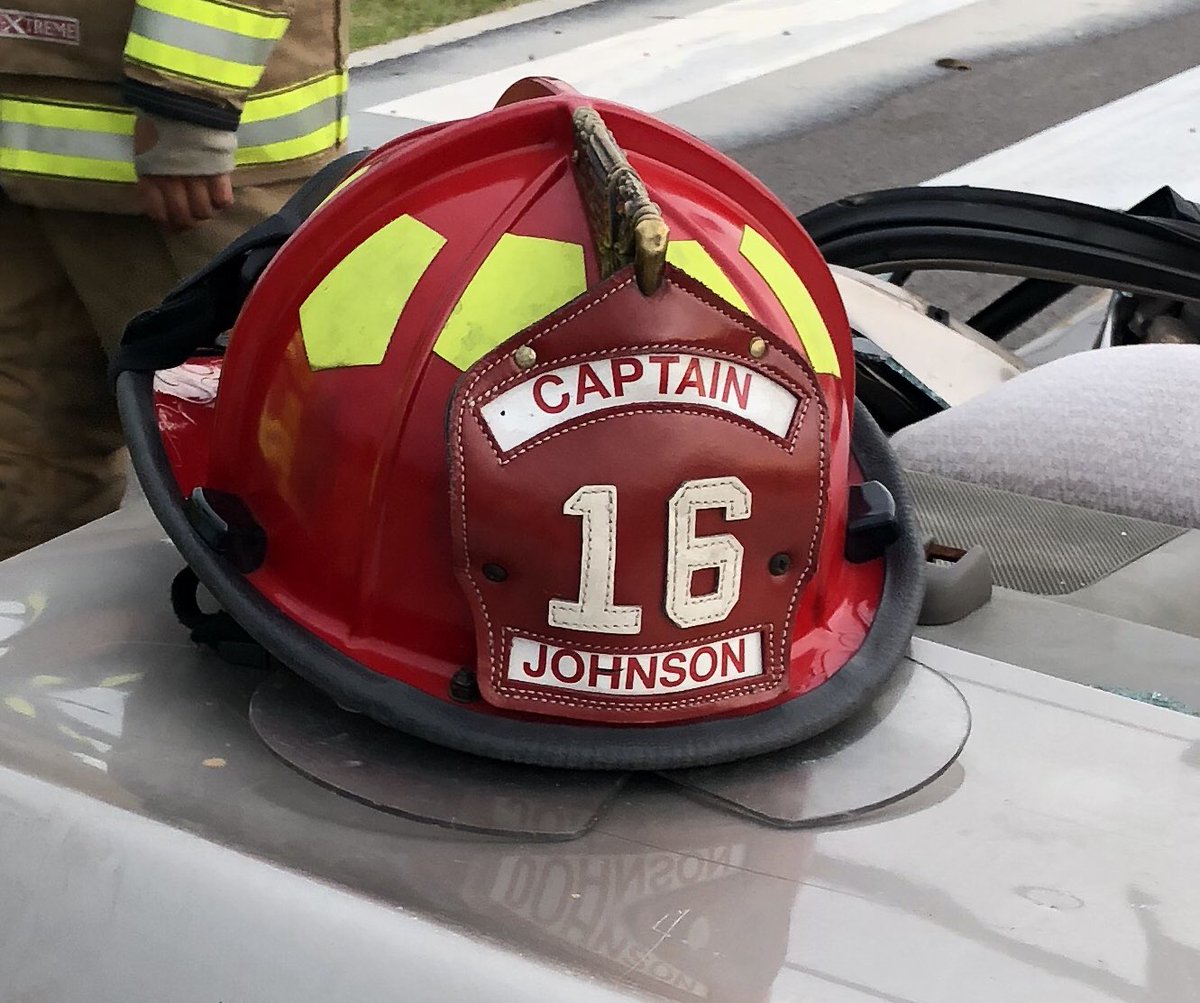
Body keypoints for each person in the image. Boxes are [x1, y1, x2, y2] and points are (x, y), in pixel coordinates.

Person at [0, 1, 349, 559]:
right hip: (168, 165)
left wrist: (185, 105)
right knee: (270, 437)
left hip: (139, 156)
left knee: (39, 436)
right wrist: (186, 104)